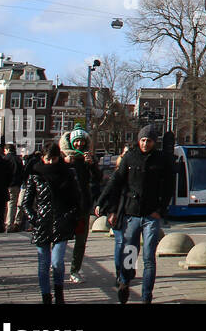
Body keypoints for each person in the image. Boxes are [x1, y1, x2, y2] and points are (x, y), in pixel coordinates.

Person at [96, 124, 174, 304]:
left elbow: (169, 186)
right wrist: (102, 202)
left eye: (149, 141)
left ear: (155, 142)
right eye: (143, 140)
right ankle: (125, 281)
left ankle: (147, 296)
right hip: (132, 213)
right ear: (139, 140)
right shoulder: (130, 158)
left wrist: (161, 210)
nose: (146, 144)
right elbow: (115, 181)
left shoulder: (161, 160)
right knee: (130, 251)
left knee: (149, 257)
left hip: (151, 215)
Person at [20, 142, 80, 304]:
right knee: (43, 264)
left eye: (54, 159)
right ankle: (46, 296)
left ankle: (59, 293)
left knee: (57, 261)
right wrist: (34, 218)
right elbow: (26, 203)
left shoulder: (67, 174)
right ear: (42, 158)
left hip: (61, 221)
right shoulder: (35, 175)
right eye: (48, 159)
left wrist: (70, 217)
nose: (51, 162)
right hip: (42, 223)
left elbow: (75, 198)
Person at [61, 129, 98, 284]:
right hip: (65, 206)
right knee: (61, 239)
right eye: (76, 141)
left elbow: (97, 179)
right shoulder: (63, 158)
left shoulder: (88, 159)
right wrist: (65, 163)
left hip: (82, 206)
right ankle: (57, 266)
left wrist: (92, 165)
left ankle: (75, 270)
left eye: (82, 141)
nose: (79, 144)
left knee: (81, 240)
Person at [5, 144, 26, 232]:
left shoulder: (6, 159)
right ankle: (14, 223)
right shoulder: (18, 159)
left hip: (7, 184)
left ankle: (8, 224)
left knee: (9, 205)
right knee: (14, 204)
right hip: (16, 185)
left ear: (7, 150)